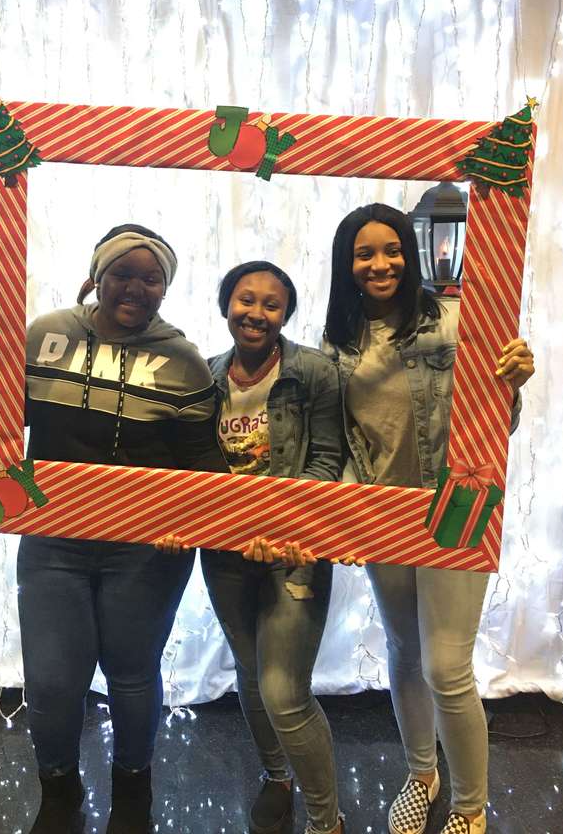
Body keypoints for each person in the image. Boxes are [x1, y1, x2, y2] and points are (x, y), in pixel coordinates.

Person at [0, 224, 228, 834]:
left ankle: (134, 787)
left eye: (150, 277)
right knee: (53, 679)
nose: (135, 287)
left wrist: (194, 523)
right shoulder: (45, 334)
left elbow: (204, 461)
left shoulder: (183, 360)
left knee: (132, 674)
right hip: (54, 540)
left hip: (146, 548)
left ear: (166, 287)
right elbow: (4, 422)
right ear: (96, 275)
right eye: (122, 274)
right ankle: (58, 789)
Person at [322, 204, 534, 834]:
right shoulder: (340, 337)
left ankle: (471, 808)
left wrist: (512, 382)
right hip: (385, 514)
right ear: (347, 264)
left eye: (391, 250)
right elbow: (343, 435)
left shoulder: (457, 321)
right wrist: (349, 514)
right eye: (364, 254)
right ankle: (422, 773)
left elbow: (496, 424)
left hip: (456, 511)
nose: (379, 263)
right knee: (405, 653)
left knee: (446, 667)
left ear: (410, 254)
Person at [163, 261, 345, 834]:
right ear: (226, 306)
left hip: (295, 552)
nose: (257, 313)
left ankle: (326, 820)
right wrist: (175, 518)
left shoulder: (314, 372)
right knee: (248, 668)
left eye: (271, 304)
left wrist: (283, 524)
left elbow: (326, 460)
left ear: (285, 314)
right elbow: (189, 462)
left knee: (283, 690)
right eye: (246, 300)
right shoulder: (206, 377)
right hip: (224, 554)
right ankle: (277, 775)